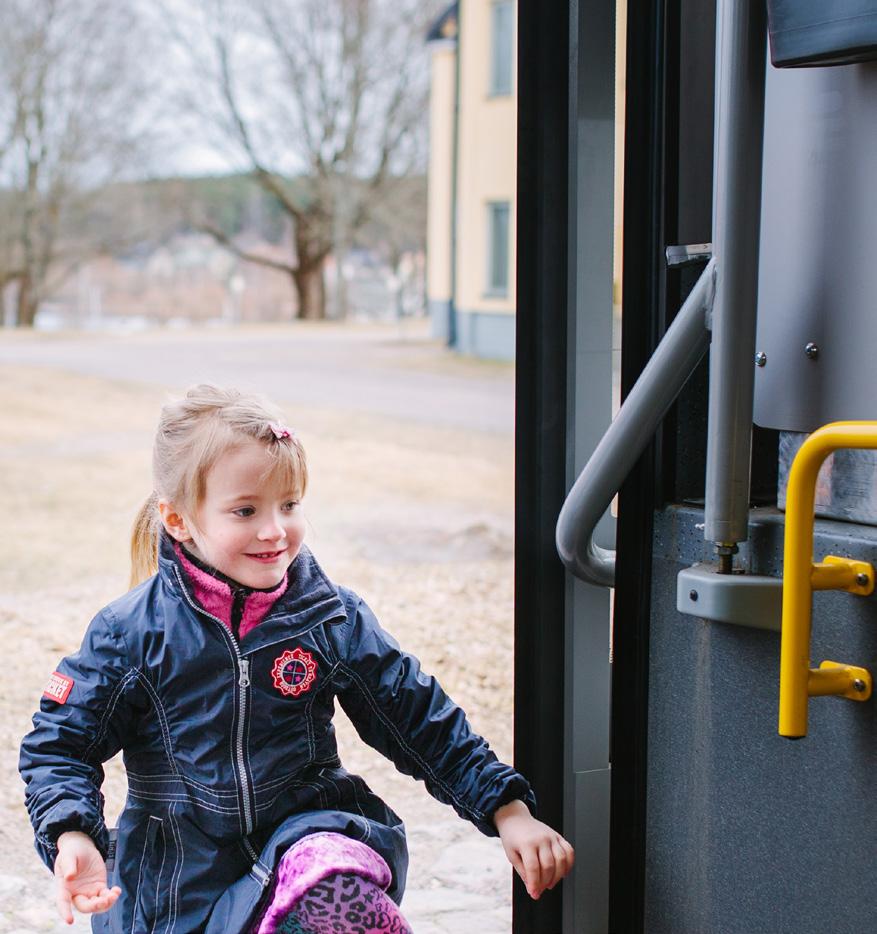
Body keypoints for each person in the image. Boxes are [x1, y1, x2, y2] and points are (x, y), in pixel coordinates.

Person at [20, 385, 574, 932]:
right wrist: (73, 835)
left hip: (304, 843)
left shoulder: (331, 619)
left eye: (289, 505)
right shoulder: (130, 634)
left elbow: (417, 719)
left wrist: (507, 811)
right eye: (245, 510)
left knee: (331, 885)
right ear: (178, 520)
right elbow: (60, 745)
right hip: (178, 884)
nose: (274, 530)